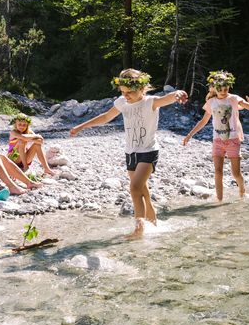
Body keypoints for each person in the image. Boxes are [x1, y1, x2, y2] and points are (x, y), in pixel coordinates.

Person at [70, 69, 188, 239]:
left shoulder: (151, 102)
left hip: (148, 151)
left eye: (129, 92)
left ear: (142, 88)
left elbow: (166, 99)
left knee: (134, 188)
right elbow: (105, 117)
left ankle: (139, 230)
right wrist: (81, 126)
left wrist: (177, 93)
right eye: (123, 92)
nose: (126, 95)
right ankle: (153, 221)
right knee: (143, 192)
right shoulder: (122, 102)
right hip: (131, 152)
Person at [182, 70, 249, 202]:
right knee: (218, 172)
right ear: (213, 88)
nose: (223, 91)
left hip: (233, 140)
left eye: (226, 88)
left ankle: (242, 191)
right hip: (217, 140)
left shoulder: (234, 99)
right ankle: (219, 200)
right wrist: (190, 135)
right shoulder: (211, 102)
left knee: (235, 173)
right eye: (220, 88)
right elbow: (204, 121)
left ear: (229, 87)